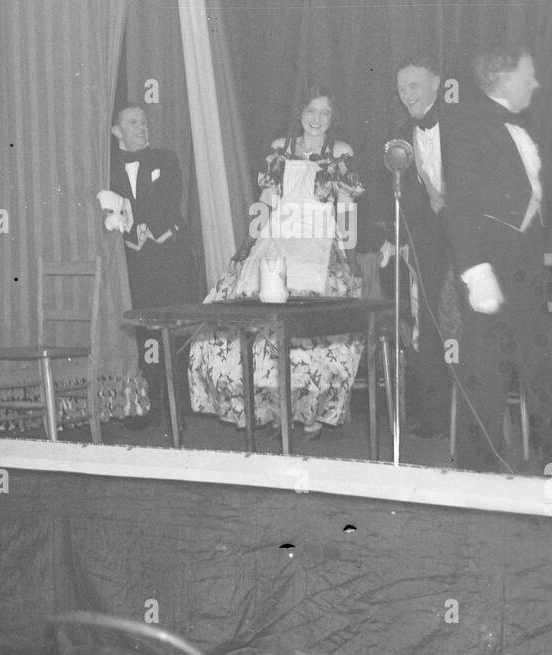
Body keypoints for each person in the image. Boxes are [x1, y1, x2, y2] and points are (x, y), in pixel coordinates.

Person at [443, 45, 552, 471]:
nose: (536, 83)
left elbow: (537, 188)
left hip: (524, 262)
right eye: (529, 75)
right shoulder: (468, 125)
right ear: (504, 77)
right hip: (490, 263)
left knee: (542, 364)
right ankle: (476, 467)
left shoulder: (516, 127)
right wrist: (474, 269)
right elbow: (460, 204)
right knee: (485, 369)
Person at [187, 88, 365, 438]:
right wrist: (247, 243)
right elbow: (266, 201)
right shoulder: (279, 148)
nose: (316, 119)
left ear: (333, 118)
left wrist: (351, 254)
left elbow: (345, 207)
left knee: (311, 324)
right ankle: (265, 409)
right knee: (253, 311)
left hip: (318, 237)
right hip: (277, 235)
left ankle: (309, 412)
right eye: (310, 111)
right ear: (300, 112)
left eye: (324, 113)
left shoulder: (340, 152)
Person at [105, 102, 199, 424]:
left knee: (176, 329)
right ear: (117, 131)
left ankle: (181, 406)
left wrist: (148, 226)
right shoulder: (109, 168)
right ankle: (150, 405)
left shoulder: (165, 158)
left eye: (143, 122)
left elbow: (168, 197)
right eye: (133, 123)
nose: (141, 128)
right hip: (138, 262)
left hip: (171, 256)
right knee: (146, 331)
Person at [379, 56, 457, 436]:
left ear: (437, 83)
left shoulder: (461, 123)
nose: (406, 95)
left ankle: (478, 417)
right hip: (429, 238)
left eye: (414, 86)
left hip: (469, 234)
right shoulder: (400, 134)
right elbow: (405, 197)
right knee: (427, 321)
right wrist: (399, 241)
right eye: (401, 89)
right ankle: (435, 420)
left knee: (469, 321)